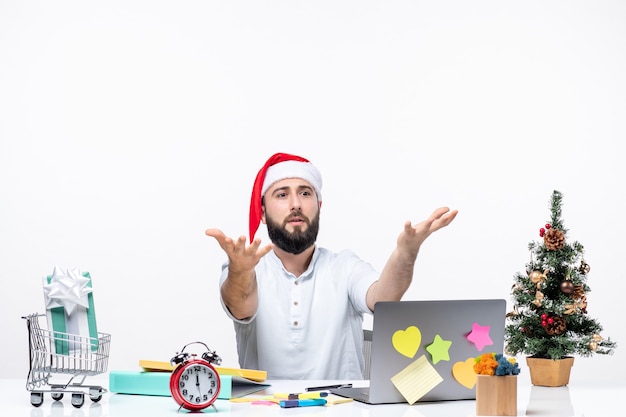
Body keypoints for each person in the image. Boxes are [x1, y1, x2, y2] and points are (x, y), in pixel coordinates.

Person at [205, 152, 457, 380]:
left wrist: (406, 252)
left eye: (305, 193)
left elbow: (384, 298)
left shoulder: (344, 266)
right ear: (262, 212)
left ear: (319, 207)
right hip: (264, 411)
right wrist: (241, 270)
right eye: (282, 194)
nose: (296, 204)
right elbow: (240, 306)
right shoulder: (245, 270)